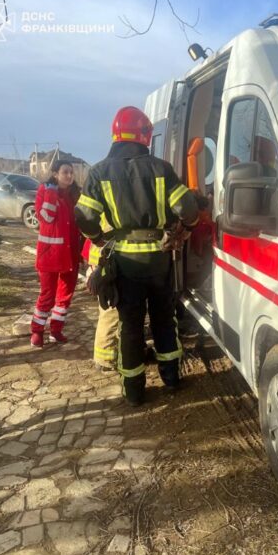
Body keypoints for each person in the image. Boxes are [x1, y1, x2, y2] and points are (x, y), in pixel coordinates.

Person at [75, 106, 199, 406]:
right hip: (158, 260)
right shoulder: (161, 168)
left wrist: (98, 238)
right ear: (144, 135)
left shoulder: (99, 172)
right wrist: (188, 226)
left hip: (124, 264)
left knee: (130, 326)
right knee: (163, 319)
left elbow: (84, 216)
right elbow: (189, 211)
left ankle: (134, 391)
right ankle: (171, 378)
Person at [31, 159, 82, 348]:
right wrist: (51, 192)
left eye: (71, 172)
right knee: (47, 295)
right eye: (65, 172)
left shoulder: (75, 195)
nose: (69, 176)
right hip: (50, 255)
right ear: (55, 174)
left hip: (70, 254)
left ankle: (56, 330)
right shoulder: (44, 191)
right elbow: (46, 217)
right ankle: (37, 331)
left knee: (65, 296)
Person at [81, 229, 118, 372]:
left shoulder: (98, 212)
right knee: (111, 311)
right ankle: (105, 359)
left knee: (110, 310)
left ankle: (109, 355)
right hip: (106, 262)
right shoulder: (110, 212)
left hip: (102, 261)